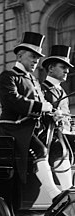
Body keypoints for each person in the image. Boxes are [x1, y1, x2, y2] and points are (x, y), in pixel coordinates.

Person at [0, 31, 72, 210]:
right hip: (15, 127)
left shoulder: (34, 81)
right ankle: (55, 194)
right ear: (20, 55)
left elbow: (44, 105)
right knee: (40, 149)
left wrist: (53, 113)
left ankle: (69, 191)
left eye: (37, 58)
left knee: (61, 147)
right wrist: (40, 107)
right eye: (32, 57)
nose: (35, 61)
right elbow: (12, 100)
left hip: (32, 128)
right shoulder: (8, 76)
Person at [41, 45, 74, 190]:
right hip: (49, 138)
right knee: (61, 150)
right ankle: (68, 192)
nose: (67, 71)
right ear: (51, 68)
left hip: (65, 135)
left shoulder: (61, 91)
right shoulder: (41, 89)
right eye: (63, 67)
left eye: (67, 67)